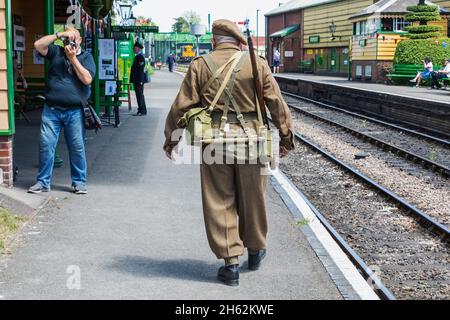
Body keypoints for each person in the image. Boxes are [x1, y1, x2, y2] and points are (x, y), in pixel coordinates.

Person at [163, 19, 295, 286]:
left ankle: (231, 263)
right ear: (238, 41)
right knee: (253, 197)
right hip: (253, 142)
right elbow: (276, 102)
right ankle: (256, 250)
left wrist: (171, 140)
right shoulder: (256, 63)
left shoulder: (199, 65)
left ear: (214, 40)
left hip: (214, 143)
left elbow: (181, 105)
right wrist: (285, 137)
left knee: (219, 200)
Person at [29, 28, 95, 194]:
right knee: (46, 146)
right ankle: (43, 182)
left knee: (77, 147)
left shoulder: (86, 57)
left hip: (75, 111)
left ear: (79, 41)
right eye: (68, 39)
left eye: (73, 39)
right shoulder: (56, 52)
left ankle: (79, 182)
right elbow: (38, 45)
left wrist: (73, 59)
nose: (70, 42)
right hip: (52, 109)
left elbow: (87, 79)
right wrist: (59, 35)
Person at [130, 42, 147, 116]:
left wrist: (140, 80)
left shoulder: (140, 57)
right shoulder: (138, 56)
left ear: (139, 49)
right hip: (137, 80)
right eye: (133, 48)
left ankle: (142, 110)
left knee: (140, 95)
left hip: (138, 80)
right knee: (138, 95)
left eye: (135, 48)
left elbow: (140, 69)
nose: (133, 49)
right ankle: (140, 110)